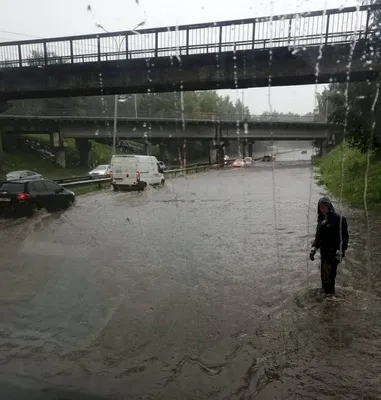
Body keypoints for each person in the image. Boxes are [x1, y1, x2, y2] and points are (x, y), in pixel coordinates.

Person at [309, 197, 349, 296]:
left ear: (329, 206)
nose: (323, 209)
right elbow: (318, 236)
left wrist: (340, 252)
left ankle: (330, 300)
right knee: (324, 276)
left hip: (334, 253)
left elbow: (344, 238)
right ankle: (328, 298)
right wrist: (314, 249)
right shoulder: (321, 219)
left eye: (325, 207)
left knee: (329, 277)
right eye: (321, 207)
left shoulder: (339, 219)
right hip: (324, 253)